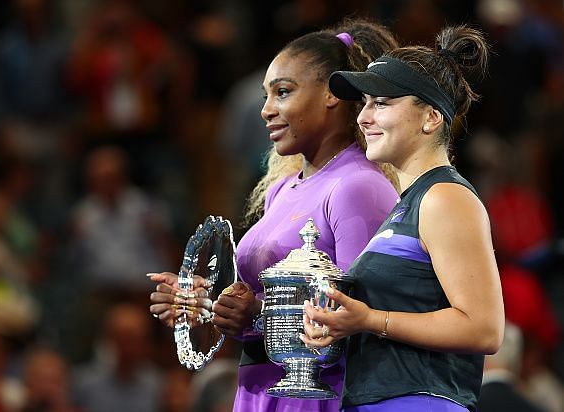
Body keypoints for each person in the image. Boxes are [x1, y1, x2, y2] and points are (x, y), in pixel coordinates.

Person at [149, 18, 400, 411]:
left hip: (322, 396)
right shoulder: (282, 189)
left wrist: (259, 315)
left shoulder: (357, 186)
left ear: (333, 93)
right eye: (267, 96)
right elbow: (261, 304)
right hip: (262, 390)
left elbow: (363, 323)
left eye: (283, 92)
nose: (266, 110)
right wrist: (206, 302)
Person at [301, 25, 505, 412]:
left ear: (430, 117)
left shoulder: (445, 198)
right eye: (364, 103)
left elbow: (484, 328)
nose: (362, 117)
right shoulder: (409, 203)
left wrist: (371, 319)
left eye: (380, 102)